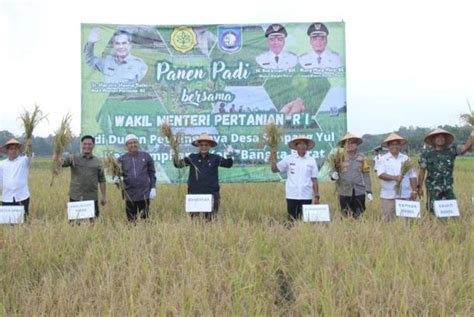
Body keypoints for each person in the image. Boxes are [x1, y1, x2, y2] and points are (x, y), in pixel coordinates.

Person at [173, 133, 233, 220]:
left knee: (210, 220)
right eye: (201, 145)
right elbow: (178, 164)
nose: (203, 147)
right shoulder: (192, 157)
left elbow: (228, 164)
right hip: (195, 195)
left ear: (210, 146)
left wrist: (229, 155)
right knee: (194, 220)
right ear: (198, 146)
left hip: (211, 194)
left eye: (206, 145)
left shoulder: (215, 158)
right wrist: (174, 154)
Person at [418, 129, 473, 214]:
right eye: (437, 137)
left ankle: (450, 225)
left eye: (442, 137)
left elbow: (466, 147)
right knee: (434, 212)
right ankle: (435, 226)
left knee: (452, 210)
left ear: (445, 139)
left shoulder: (451, 150)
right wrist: (420, 187)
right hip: (433, 188)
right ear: (433, 139)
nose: (440, 139)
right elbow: (422, 171)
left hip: (448, 186)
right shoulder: (426, 153)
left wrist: (472, 134)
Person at [53, 135, 107, 219]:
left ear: (93, 145)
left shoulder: (98, 162)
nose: (87, 146)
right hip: (75, 197)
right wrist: (56, 156)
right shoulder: (74, 158)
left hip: (91, 198)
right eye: (85, 144)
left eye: (89, 144)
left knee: (93, 225)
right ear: (81, 145)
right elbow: (61, 163)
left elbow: (102, 180)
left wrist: (104, 197)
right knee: (74, 225)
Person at [271, 136, 320, 222]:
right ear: (296, 146)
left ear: (307, 146)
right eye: (300, 144)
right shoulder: (289, 158)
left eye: (304, 144)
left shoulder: (311, 160)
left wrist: (316, 196)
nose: (302, 146)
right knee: (291, 220)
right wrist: (273, 157)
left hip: (306, 195)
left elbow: (314, 179)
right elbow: (275, 169)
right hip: (292, 195)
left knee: (305, 221)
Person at [376, 133, 417, 222]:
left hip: (405, 195)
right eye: (392, 144)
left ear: (400, 145)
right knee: (387, 221)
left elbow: (413, 175)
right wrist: (395, 178)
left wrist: (414, 191)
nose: (395, 146)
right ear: (388, 146)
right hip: (389, 195)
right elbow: (381, 174)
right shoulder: (382, 159)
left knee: (408, 221)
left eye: (397, 144)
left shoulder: (406, 158)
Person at [115, 134, 156, 222]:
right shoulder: (121, 159)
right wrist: (116, 180)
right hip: (129, 195)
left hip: (144, 194)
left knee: (145, 221)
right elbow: (117, 176)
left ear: (138, 143)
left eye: (135, 142)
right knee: (131, 221)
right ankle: (132, 235)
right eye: (130, 143)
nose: (133, 145)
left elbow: (152, 174)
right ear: (126, 146)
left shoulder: (146, 156)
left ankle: (146, 235)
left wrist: (153, 188)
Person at [330, 132, 372, 218]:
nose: (350, 145)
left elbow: (366, 175)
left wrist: (369, 191)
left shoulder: (362, 158)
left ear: (357, 144)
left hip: (359, 191)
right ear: (344, 145)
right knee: (345, 215)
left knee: (360, 215)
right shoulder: (339, 157)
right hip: (344, 191)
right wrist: (333, 175)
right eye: (347, 143)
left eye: (353, 142)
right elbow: (332, 169)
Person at [84, 28, 148, 83]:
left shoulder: (139, 64)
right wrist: (91, 42)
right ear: (113, 46)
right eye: (117, 43)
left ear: (130, 45)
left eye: (124, 43)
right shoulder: (107, 61)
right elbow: (89, 61)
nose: (121, 47)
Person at [0, 138, 33, 221]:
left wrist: (29, 146)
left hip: (22, 196)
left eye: (16, 148)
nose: (13, 151)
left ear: (19, 150)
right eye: (11, 149)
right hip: (7, 197)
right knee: (7, 222)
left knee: (23, 221)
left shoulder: (24, 161)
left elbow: (29, 156)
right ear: (7, 151)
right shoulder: (2, 164)